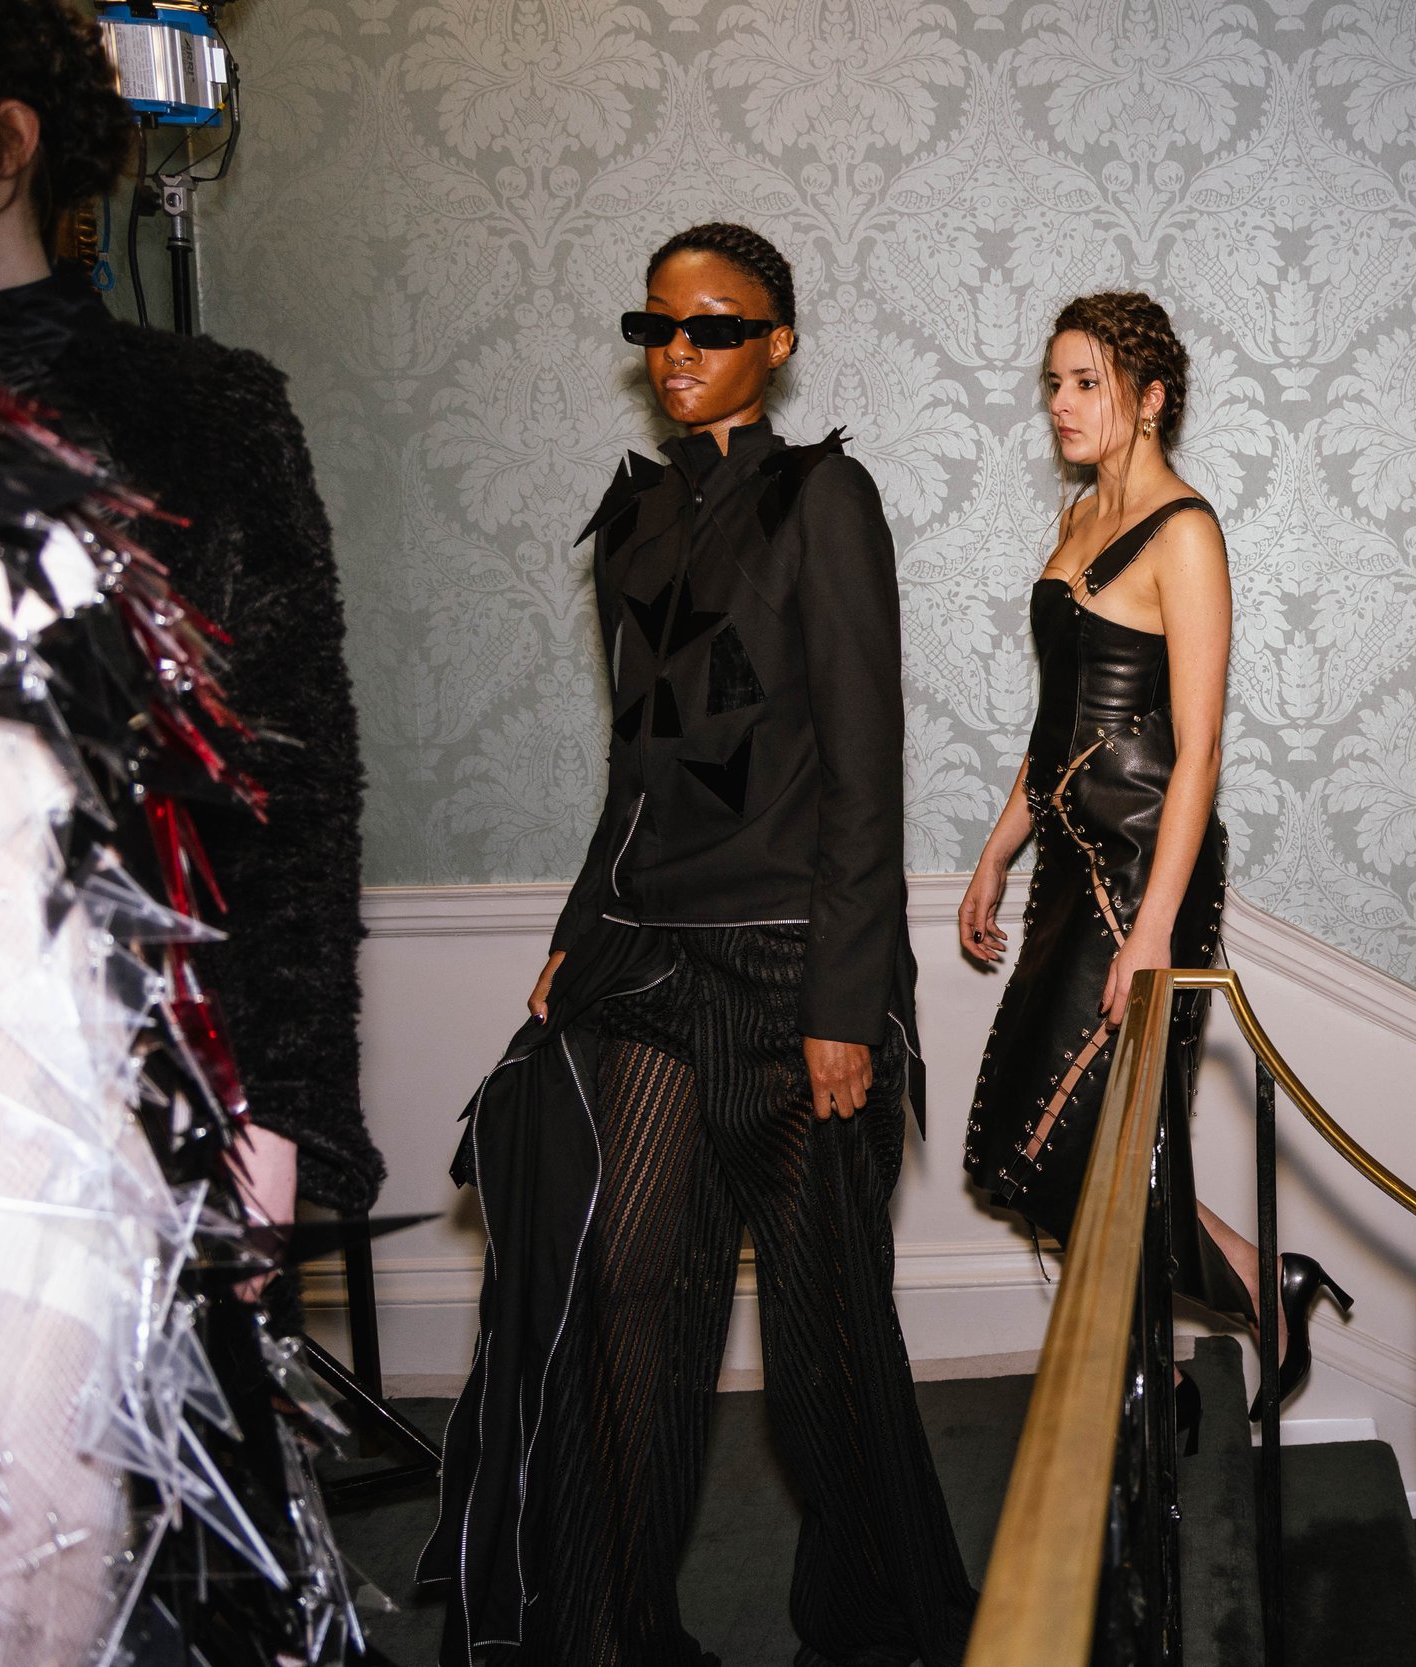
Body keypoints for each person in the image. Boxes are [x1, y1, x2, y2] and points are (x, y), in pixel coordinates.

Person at [420, 222, 975, 1667]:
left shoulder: (823, 499)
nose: (678, 352)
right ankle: (613, 1633)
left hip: (799, 972)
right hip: (651, 963)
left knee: (821, 1348)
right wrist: (575, 928)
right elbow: (637, 766)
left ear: (776, 344)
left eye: (714, 328)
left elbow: (867, 765)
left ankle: (870, 1633)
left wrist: (851, 996)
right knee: (622, 1300)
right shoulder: (634, 519)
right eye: (657, 327)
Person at [0, 0, 381, 1228]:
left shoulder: (202, 417)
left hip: (114, 1068)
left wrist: (283, 1104)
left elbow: (290, 784)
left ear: (6, 141)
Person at [958, 292, 1350, 1439]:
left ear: (1150, 397)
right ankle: (1247, 1291)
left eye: (1086, 382)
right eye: (1053, 383)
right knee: (1027, 1141)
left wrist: (1155, 927)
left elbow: (1199, 750)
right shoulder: (1076, 521)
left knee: (1083, 1136)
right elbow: (1051, 731)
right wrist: (993, 854)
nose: (1062, 405)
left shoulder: (1186, 531)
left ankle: (1156, 1378)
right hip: (1066, 875)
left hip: (1144, 878)